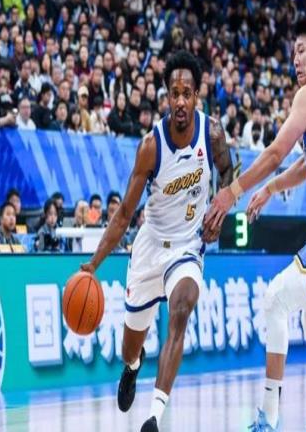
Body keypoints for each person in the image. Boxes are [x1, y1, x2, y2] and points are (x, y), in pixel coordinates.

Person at [205, 13, 306, 431]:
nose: (295, 59)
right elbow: (305, 164)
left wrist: (232, 191)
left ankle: (268, 418)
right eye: (292, 53)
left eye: (302, 51)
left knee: (275, 299)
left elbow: (277, 151)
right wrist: (272, 188)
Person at [80, 50, 232, 432]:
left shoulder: (213, 133)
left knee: (181, 309)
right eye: (174, 93)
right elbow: (124, 214)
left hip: (187, 246)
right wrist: (93, 264)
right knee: (128, 347)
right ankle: (133, 367)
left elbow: (228, 172)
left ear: (196, 96)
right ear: (166, 96)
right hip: (150, 246)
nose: (180, 101)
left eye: (187, 93)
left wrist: (221, 208)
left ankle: (154, 416)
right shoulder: (151, 145)